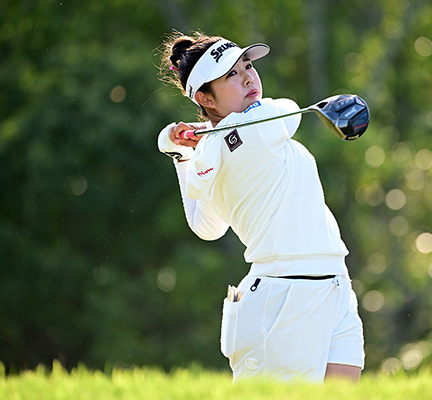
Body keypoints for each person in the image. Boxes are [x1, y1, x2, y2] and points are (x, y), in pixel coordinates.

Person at [156, 31, 365, 383]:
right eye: (231, 75)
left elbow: (205, 227)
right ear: (205, 97)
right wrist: (196, 143)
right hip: (281, 300)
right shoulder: (254, 127)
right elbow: (285, 111)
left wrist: (182, 153)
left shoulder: (211, 150)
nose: (249, 77)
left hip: (335, 287)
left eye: (247, 66)